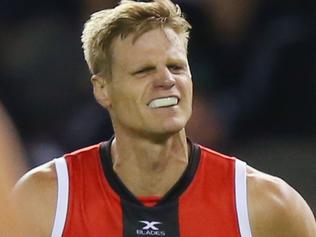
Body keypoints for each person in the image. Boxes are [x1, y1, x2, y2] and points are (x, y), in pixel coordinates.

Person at [12, 0, 316, 236]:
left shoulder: (268, 205)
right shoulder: (46, 201)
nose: (166, 80)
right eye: (144, 70)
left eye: (176, 67)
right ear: (102, 89)